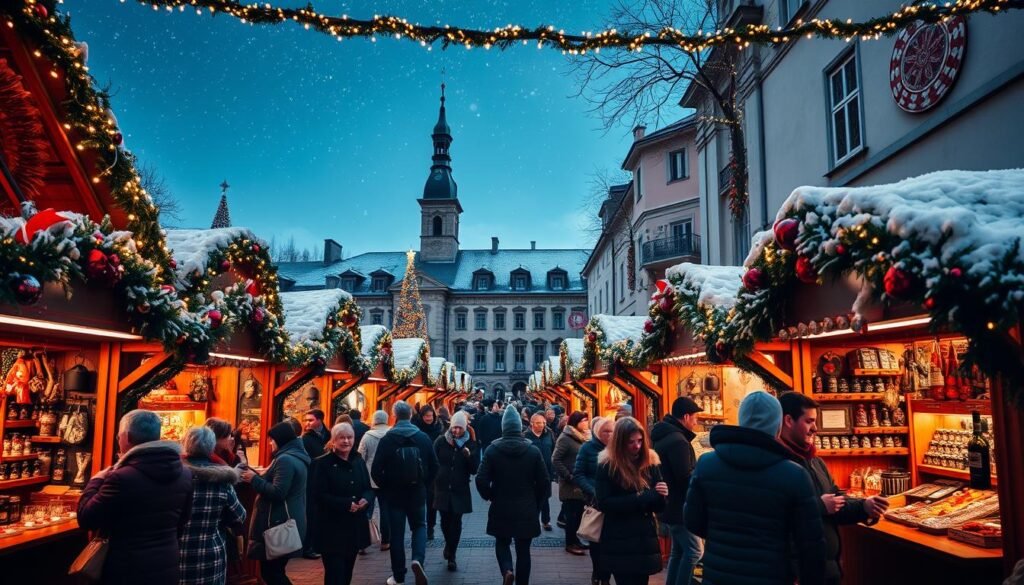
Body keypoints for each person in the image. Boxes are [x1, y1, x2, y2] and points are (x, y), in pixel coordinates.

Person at [684, 391, 826, 585]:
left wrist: (723, 536)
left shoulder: (707, 465)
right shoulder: (794, 474)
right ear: (778, 427)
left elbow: (693, 521)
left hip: (719, 574)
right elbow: (810, 547)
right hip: (771, 575)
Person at [778, 392, 888, 584]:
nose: (815, 428)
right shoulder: (778, 465)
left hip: (827, 570)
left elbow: (836, 503)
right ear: (788, 420)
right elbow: (777, 516)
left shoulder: (816, 462)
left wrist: (864, 507)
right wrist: (819, 507)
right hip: (799, 574)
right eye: (809, 421)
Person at [77, 409, 194, 585]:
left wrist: (95, 481)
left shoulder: (120, 477)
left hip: (126, 569)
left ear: (127, 437)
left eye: (118, 436)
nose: (118, 440)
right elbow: (183, 521)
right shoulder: (184, 473)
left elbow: (86, 518)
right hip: (167, 564)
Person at [476, 405, 549, 585]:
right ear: (519, 427)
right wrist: (537, 504)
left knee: (502, 542)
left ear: (503, 427)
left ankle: (507, 569)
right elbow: (544, 482)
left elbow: (480, 479)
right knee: (523, 550)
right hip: (526, 506)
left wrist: (490, 495)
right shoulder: (533, 450)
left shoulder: (493, 450)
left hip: (501, 504)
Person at [370, 400, 439, 585]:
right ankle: (418, 559)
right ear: (410, 415)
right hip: (417, 493)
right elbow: (435, 466)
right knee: (419, 527)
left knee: (397, 535)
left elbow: (375, 469)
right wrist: (424, 484)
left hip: (394, 495)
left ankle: (398, 576)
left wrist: (385, 487)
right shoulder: (423, 438)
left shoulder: (387, 440)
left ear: (394, 416)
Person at [595, 417, 667, 585]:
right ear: (620, 442)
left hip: (644, 538)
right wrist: (642, 497)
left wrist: (661, 495)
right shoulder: (608, 465)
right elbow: (605, 503)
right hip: (619, 537)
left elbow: (659, 505)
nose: (637, 446)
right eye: (631, 442)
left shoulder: (650, 461)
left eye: (640, 441)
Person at [241, 421, 311, 585]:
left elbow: (278, 492)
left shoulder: (285, 459)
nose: (270, 443)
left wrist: (254, 480)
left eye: (272, 439)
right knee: (275, 571)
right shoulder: (295, 456)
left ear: (281, 439)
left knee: (272, 573)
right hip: (288, 519)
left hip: (278, 522)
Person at [178, 426, 248, 585]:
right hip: (210, 552)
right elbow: (240, 515)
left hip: (175, 551)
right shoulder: (222, 480)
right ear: (211, 447)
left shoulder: (173, 474)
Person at [312, 422, 373, 585]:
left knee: (347, 573)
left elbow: (368, 487)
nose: (346, 441)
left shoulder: (358, 461)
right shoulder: (322, 464)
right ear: (333, 440)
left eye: (349, 437)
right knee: (335, 574)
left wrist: (366, 499)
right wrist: (346, 504)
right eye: (342, 438)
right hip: (331, 529)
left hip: (354, 527)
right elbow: (318, 495)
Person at [651, 397, 704, 585]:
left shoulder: (666, 435)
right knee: (695, 551)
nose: (697, 421)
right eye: (696, 417)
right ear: (686, 416)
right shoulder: (678, 441)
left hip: (670, 504)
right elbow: (685, 476)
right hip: (680, 506)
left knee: (678, 551)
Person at [432, 410, 480, 571]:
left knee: (456, 521)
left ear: (465, 428)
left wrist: (468, 456)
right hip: (442, 487)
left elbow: (474, 469)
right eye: (454, 428)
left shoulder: (471, 443)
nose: (456, 431)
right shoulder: (441, 441)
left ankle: (452, 554)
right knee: (445, 521)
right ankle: (448, 543)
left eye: (460, 428)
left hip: (460, 488)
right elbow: (432, 461)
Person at [574, 416, 612, 585]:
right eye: (606, 431)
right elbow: (579, 474)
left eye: (613, 431)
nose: (610, 435)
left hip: (614, 502)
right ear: (598, 432)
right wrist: (592, 490)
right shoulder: (587, 448)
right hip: (596, 502)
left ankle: (605, 575)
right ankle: (598, 572)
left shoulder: (618, 448)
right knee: (596, 539)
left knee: (611, 541)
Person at [552, 411, 589, 555]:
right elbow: (555, 459)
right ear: (576, 423)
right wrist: (568, 475)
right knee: (572, 516)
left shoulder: (582, 437)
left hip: (580, 483)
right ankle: (570, 543)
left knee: (578, 514)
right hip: (570, 485)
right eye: (584, 420)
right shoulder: (566, 438)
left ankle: (576, 540)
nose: (586, 423)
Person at [358, 410, 392, 552]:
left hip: (369, 479)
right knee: (386, 510)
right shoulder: (391, 435)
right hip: (386, 478)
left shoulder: (367, 436)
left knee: (366, 509)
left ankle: (363, 543)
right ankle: (385, 541)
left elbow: (360, 456)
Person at [300, 409, 329, 560]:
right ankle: (308, 547)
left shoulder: (328, 435)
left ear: (320, 420)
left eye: (310, 420)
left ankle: (319, 543)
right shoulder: (305, 439)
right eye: (306, 420)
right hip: (311, 481)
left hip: (327, 480)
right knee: (311, 514)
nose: (307, 423)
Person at [413, 404, 445, 540]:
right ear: (421, 416)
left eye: (430, 416)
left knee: (432, 501)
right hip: (418, 469)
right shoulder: (415, 429)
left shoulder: (439, 428)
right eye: (426, 416)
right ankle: (419, 525)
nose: (429, 418)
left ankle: (430, 527)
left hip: (434, 469)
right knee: (419, 500)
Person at [523, 412, 556, 531]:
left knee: (545, 496)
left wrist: (554, 470)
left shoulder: (549, 434)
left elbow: (554, 451)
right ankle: (532, 521)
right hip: (531, 473)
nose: (541, 425)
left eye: (543, 422)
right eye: (538, 423)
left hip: (546, 471)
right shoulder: (525, 436)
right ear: (531, 423)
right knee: (532, 498)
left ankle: (546, 520)